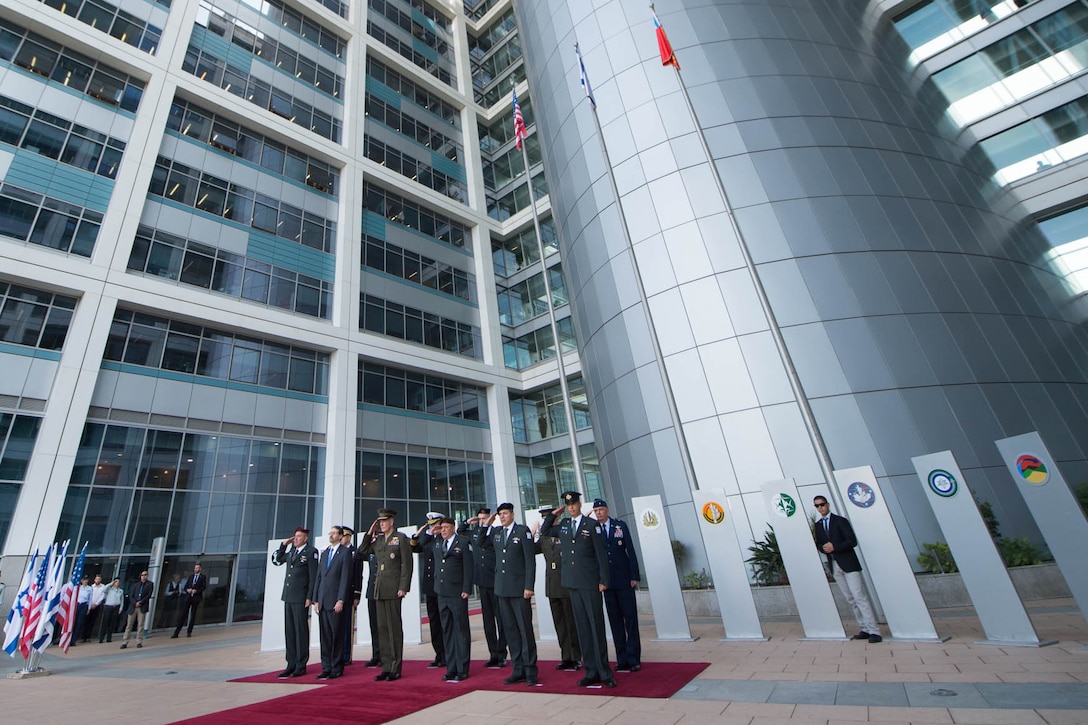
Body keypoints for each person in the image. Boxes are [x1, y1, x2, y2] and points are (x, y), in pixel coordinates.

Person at [542, 491, 615, 688]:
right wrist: (555, 514)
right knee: (582, 628)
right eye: (568, 505)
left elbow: (601, 554)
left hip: (590, 582)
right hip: (572, 583)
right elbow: (546, 530)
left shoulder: (591, 525)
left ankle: (604, 671)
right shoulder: (564, 525)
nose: (571, 507)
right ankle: (590, 671)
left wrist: (603, 580)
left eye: (574, 504)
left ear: (580, 504)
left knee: (596, 626)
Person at [812, 495, 882, 643]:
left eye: (822, 504)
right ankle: (864, 628)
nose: (820, 508)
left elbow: (852, 541)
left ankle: (874, 630)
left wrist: (835, 546)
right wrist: (824, 548)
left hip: (849, 564)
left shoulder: (840, 521)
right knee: (850, 599)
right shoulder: (818, 525)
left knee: (859, 597)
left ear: (828, 504)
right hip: (835, 564)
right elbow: (819, 543)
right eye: (817, 506)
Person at [482, 502, 538, 686]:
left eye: (505, 513)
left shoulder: (523, 532)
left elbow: (530, 561)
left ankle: (530, 669)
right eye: (500, 514)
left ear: (512, 514)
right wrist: (486, 524)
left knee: (524, 629)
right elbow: (481, 542)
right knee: (511, 630)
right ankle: (518, 668)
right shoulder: (497, 532)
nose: (503, 517)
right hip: (502, 589)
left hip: (519, 589)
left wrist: (529, 586)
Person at [357, 509, 413, 681]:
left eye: (384, 521)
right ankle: (386, 666)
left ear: (391, 521)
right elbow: (362, 552)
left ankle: (396, 667)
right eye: (379, 521)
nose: (381, 524)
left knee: (393, 629)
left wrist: (403, 587)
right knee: (382, 629)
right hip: (379, 588)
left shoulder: (401, 538)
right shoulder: (378, 540)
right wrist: (369, 533)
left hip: (394, 587)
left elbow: (406, 565)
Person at [592, 498, 642, 672]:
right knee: (615, 622)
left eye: (601, 509)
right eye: (596, 510)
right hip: (607, 583)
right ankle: (622, 659)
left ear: (607, 510)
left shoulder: (619, 526)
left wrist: (634, 575)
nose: (598, 512)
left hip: (624, 579)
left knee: (630, 619)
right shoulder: (593, 529)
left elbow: (630, 550)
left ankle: (634, 657)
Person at [533, 506, 581, 671]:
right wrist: (533, 533)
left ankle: (576, 656)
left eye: (549, 518)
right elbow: (531, 549)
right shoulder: (544, 538)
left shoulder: (563, 533)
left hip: (566, 584)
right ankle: (566, 656)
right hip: (552, 585)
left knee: (571, 622)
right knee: (559, 623)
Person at [458, 508, 507, 668]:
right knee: (488, 621)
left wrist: (488, 525)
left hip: (495, 580)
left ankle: (502, 653)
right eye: (479, 519)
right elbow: (460, 531)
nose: (482, 521)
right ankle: (493, 653)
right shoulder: (475, 533)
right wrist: (467, 522)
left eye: (484, 518)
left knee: (501, 619)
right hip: (482, 581)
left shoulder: (496, 532)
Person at [272, 526, 319, 678]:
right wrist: (284, 544)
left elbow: (313, 576)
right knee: (290, 631)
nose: (296, 538)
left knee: (300, 631)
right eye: (295, 536)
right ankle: (290, 663)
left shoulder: (311, 552)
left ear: (305, 538)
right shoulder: (291, 551)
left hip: (301, 597)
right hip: (289, 596)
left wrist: (310, 596)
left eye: (299, 536)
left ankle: (301, 664)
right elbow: (278, 559)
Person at [432, 516, 473, 683]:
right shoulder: (437, 543)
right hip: (442, 593)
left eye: (446, 527)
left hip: (457, 592)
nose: (443, 530)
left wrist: (467, 589)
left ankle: (462, 668)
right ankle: (451, 667)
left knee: (461, 630)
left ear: (453, 528)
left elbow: (469, 567)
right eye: (441, 528)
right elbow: (420, 543)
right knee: (447, 631)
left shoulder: (462, 543)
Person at [313, 525, 353, 679]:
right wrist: (316, 599)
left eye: (334, 533)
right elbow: (319, 577)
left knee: (336, 635)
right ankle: (326, 667)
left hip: (336, 601)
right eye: (330, 533)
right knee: (325, 637)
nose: (331, 535)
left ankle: (336, 667)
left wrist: (341, 599)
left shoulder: (345, 553)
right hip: (323, 601)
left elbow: (345, 578)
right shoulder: (324, 553)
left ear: (341, 536)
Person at [410, 512, 446, 669]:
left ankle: (447, 653)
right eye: (430, 525)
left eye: (435, 525)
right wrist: (418, 535)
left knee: (444, 621)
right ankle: (439, 653)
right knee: (434, 622)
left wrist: (431, 534)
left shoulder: (442, 539)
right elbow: (415, 547)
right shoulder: (428, 538)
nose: (432, 528)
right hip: (430, 585)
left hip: (441, 585)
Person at [120, 571, 154, 649]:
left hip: (142, 606)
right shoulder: (135, 585)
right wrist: (135, 603)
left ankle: (139, 641)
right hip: (133, 606)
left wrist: (141, 602)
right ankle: (125, 641)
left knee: (140, 625)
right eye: (142, 575)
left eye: (145, 575)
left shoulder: (150, 584)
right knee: (129, 625)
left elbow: (149, 595)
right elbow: (131, 595)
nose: (143, 576)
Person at [172, 563, 207, 638]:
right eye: (195, 568)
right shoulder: (191, 577)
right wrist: (188, 590)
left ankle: (189, 631)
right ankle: (177, 632)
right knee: (183, 614)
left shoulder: (203, 577)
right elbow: (185, 587)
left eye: (197, 568)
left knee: (193, 615)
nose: (196, 569)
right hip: (188, 597)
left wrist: (196, 591)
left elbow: (203, 587)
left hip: (196, 598)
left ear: (200, 569)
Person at [339, 526, 357, 665]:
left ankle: (346, 655)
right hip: (336, 594)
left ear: (349, 537)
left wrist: (357, 594)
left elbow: (357, 575)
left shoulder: (353, 552)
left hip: (349, 593)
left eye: (344, 535)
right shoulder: (337, 551)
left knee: (347, 626)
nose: (342, 538)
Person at [362, 550, 382, 667]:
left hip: (382, 591)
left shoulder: (384, 548)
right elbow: (360, 553)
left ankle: (385, 655)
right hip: (372, 592)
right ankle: (376, 654)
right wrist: (369, 536)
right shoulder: (371, 550)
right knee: (374, 626)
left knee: (383, 626)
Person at [83, 574, 107, 643]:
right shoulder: (91, 587)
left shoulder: (103, 587)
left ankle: (88, 636)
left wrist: (96, 604)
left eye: (99, 579)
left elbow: (102, 596)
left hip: (97, 606)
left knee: (92, 621)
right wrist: (90, 604)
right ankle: (84, 636)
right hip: (89, 605)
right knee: (86, 621)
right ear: (94, 580)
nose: (98, 580)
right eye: (97, 579)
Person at [99, 577, 124, 643]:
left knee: (112, 623)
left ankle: (109, 637)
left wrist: (120, 608)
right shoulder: (109, 589)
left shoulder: (120, 590)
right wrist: (111, 583)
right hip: (108, 606)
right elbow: (104, 590)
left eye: (118, 582)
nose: (117, 583)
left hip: (116, 607)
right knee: (105, 622)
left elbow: (122, 600)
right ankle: (101, 637)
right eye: (116, 582)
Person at [71, 576, 91, 647]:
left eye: (86, 580)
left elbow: (90, 599)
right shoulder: (78, 587)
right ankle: (69, 638)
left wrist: (88, 608)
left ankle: (73, 640)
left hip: (84, 605)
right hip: (77, 604)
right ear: (82, 581)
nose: (85, 581)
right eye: (84, 580)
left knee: (79, 623)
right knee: (73, 622)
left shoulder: (89, 588)